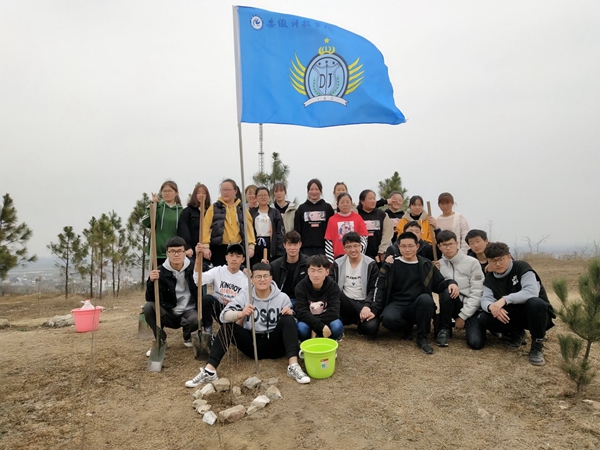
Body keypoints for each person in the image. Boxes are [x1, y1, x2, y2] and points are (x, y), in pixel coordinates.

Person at [185, 262, 311, 387]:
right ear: (252, 280)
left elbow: (292, 325)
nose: (262, 280)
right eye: (258, 276)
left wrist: (290, 313)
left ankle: (293, 366)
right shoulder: (245, 296)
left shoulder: (282, 297)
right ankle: (210, 371)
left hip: (276, 344)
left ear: (271, 278)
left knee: (288, 319)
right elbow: (224, 316)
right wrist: (240, 314)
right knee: (228, 326)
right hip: (252, 344)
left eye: (265, 276)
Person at [371, 232, 459, 354]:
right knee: (388, 319)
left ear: (417, 246)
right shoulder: (391, 264)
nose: (407, 249)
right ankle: (407, 326)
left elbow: (439, 284)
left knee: (426, 299)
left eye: (411, 246)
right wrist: (374, 309)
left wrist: (451, 283)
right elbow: (380, 288)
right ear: (398, 247)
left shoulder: (426, 264)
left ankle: (422, 338)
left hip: (418, 304)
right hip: (397, 303)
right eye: (403, 246)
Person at [478, 242, 555, 366]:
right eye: (493, 261)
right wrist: (491, 307)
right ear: (488, 261)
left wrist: (504, 300)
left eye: (501, 259)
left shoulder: (521, 267)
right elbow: (485, 299)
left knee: (536, 303)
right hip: (512, 315)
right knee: (484, 318)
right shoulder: (490, 278)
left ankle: (537, 344)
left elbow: (531, 291)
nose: (498, 264)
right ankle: (516, 333)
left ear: (509, 257)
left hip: (536, 314)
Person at [142, 236, 198, 354]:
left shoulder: (194, 268)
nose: (176, 254)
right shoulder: (159, 272)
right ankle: (160, 339)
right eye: (172, 251)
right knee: (148, 307)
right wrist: (151, 282)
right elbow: (150, 299)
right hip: (169, 312)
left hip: (189, 312)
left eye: (179, 251)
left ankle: (188, 336)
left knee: (196, 317)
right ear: (167, 253)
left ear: (185, 252)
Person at [435, 230, 486, 350]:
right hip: (452, 305)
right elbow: (436, 289)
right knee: (448, 290)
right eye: (444, 245)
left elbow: (478, 292)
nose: (448, 248)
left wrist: (463, 316)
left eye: (450, 244)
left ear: (457, 243)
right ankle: (444, 329)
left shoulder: (472, 262)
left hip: (471, 307)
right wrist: (434, 272)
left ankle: (472, 325)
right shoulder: (439, 265)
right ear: (439, 247)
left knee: (475, 343)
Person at [330, 232, 380, 336]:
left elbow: (373, 288)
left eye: (355, 246)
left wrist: (367, 306)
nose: (353, 250)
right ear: (344, 248)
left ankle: (358, 320)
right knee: (335, 291)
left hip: (363, 302)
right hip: (344, 302)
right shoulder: (338, 263)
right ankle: (356, 318)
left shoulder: (370, 264)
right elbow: (331, 285)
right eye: (348, 247)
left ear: (360, 246)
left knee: (372, 328)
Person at [195, 242, 247, 335]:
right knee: (206, 299)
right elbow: (198, 280)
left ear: (243, 259)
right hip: (219, 307)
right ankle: (208, 331)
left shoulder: (246, 278)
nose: (234, 259)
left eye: (238, 256)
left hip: (235, 311)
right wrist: (198, 258)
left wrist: (232, 303)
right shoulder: (218, 270)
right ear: (226, 257)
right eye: (231, 255)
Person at [202, 179, 256, 267]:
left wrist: (251, 246)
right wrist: (205, 246)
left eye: (228, 190)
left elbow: (249, 228)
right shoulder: (214, 208)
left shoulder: (242, 208)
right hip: (219, 248)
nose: (225, 192)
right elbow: (205, 228)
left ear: (235, 191)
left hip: (237, 247)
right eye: (223, 190)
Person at [294, 254, 343, 341]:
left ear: (327, 272)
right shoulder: (300, 287)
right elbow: (301, 312)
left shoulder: (333, 287)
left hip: (327, 321)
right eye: (312, 270)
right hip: (308, 321)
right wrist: (318, 326)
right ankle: (309, 341)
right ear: (308, 271)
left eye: (320, 271)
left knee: (337, 326)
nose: (315, 275)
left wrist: (318, 326)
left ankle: (329, 340)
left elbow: (334, 311)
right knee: (301, 328)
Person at [141, 180, 183, 266]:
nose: (167, 193)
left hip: (174, 253)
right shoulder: (157, 207)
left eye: (170, 191)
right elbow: (145, 222)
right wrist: (153, 206)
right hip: (157, 253)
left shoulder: (181, 211)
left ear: (176, 193)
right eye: (164, 191)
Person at [294, 179, 334, 256]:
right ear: (308, 191)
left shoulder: (327, 208)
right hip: (305, 248)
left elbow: (331, 228)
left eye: (316, 189)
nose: (314, 192)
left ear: (320, 191)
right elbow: (297, 229)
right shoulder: (302, 208)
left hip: (324, 247)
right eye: (311, 189)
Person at [324, 192, 368, 262]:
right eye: (342, 202)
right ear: (337, 204)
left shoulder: (358, 218)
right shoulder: (332, 220)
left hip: (355, 257)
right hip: (337, 258)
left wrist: (358, 254)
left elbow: (364, 238)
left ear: (351, 203)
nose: (345, 204)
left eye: (347, 202)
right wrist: (331, 261)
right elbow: (329, 241)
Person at [249, 186, 284, 267]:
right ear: (256, 197)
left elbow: (280, 232)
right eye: (260, 195)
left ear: (269, 197)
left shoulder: (275, 212)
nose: (263, 197)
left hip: (270, 243)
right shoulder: (251, 212)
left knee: (270, 267)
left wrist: (280, 248)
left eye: (265, 195)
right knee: (256, 267)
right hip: (256, 243)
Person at [270, 230, 307, 306]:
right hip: (281, 301)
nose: (292, 248)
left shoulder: (309, 264)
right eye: (289, 244)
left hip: (303, 301)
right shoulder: (275, 265)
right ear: (284, 245)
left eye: (295, 244)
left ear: (300, 244)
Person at [357, 189, 394, 264]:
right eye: (370, 199)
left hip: (378, 255)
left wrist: (382, 250)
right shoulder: (356, 214)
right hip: (359, 254)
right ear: (362, 201)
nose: (373, 201)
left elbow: (387, 234)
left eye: (374, 198)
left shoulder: (383, 215)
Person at [178, 183, 211, 260]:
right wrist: (187, 247)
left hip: (207, 251)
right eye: (198, 193)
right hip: (192, 251)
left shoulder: (210, 211)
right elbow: (183, 230)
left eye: (203, 193)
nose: (201, 195)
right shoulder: (187, 211)